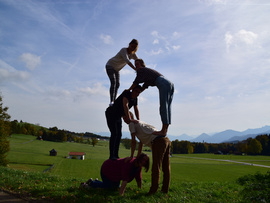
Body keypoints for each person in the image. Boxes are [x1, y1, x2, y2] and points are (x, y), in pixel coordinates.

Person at [123, 112, 171, 195]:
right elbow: (141, 142)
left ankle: (153, 191)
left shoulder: (131, 124)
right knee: (166, 167)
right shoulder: (140, 122)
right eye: (123, 117)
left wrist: (131, 156)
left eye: (125, 117)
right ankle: (164, 190)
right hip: (166, 140)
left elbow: (133, 141)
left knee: (156, 167)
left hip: (157, 142)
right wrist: (138, 154)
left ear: (130, 116)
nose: (124, 119)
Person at [128, 59, 174, 136]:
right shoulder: (147, 74)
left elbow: (135, 82)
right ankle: (165, 130)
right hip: (169, 83)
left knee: (163, 106)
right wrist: (136, 93)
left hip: (162, 83)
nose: (136, 67)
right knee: (167, 107)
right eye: (135, 65)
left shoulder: (141, 70)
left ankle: (163, 131)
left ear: (142, 65)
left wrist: (128, 91)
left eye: (137, 64)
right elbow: (143, 87)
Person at [80, 153, 149, 196]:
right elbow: (124, 181)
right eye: (143, 160)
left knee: (115, 187)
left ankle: (95, 181)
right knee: (108, 187)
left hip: (115, 174)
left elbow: (138, 179)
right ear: (139, 158)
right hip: (107, 168)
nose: (144, 162)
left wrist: (139, 190)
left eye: (146, 161)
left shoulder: (138, 167)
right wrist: (121, 195)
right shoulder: (129, 163)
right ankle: (91, 183)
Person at [105, 85, 143, 160]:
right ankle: (111, 156)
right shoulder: (127, 93)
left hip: (118, 116)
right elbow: (125, 105)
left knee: (119, 134)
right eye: (136, 91)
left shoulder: (135, 99)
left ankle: (116, 155)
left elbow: (136, 109)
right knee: (114, 133)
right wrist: (129, 118)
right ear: (133, 90)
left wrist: (138, 120)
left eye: (139, 92)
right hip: (111, 113)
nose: (137, 93)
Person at [106, 39, 139, 106]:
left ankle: (114, 100)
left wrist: (144, 68)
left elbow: (138, 60)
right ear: (129, 44)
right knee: (114, 82)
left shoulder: (133, 54)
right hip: (110, 65)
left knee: (117, 84)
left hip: (117, 69)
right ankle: (112, 101)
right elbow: (127, 60)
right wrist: (135, 69)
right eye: (132, 46)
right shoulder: (123, 50)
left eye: (134, 48)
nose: (132, 48)